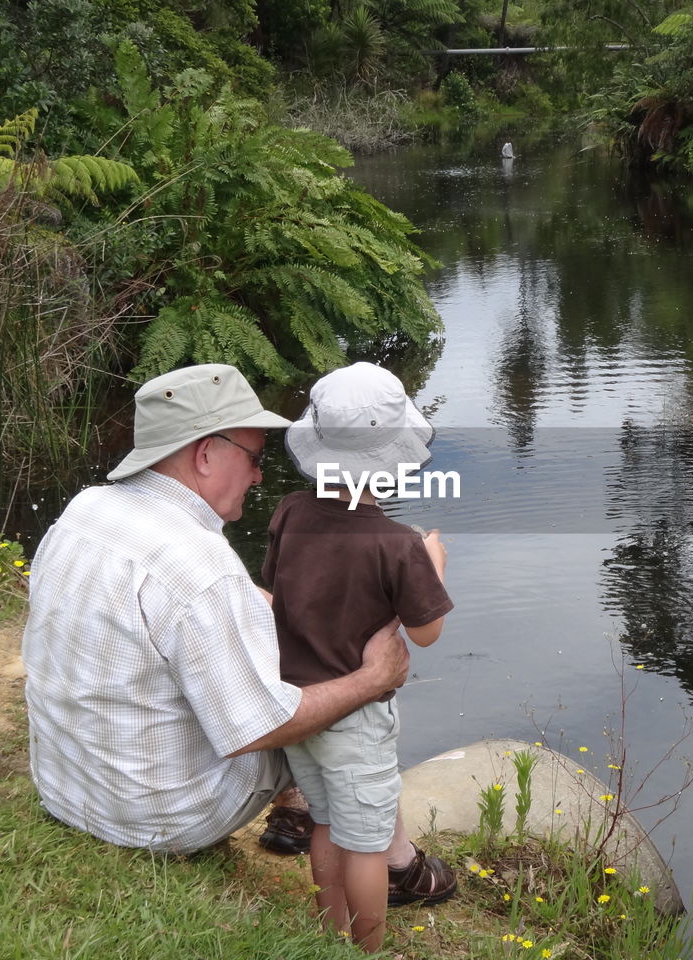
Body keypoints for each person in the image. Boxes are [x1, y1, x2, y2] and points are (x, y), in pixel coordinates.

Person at [21, 363, 409, 855]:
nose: (259, 474)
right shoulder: (203, 565)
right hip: (163, 819)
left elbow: (186, 606)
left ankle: (304, 812)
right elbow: (263, 725)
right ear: (205, 454)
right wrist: (373, 678)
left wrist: (289, 612)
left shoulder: (87, 509)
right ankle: (393, 861)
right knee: (352, 693)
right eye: (253, 457)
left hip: (71, 791)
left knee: (308, 655)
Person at [262, 361, 457, 950]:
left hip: (301, 705)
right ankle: (369, 947)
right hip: (357, 718)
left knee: (324, 824)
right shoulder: (397, 545)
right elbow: (426, 635)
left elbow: (276, 594)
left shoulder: (291, 511)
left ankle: (332, 931)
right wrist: (433, 564)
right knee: (368, 843)